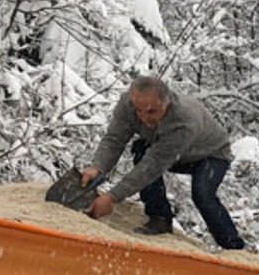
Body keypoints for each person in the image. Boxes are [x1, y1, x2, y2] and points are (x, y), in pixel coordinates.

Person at [83, 75, 245, 249]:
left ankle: (233, 247)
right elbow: (115, 139)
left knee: (202, 194)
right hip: (174, 151)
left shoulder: (183, 120)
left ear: (166, 103)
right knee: (140, 148)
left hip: (212, 154)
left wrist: (113, 197)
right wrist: (97, 167)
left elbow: (152, 166)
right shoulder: (128, 104)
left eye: (152, 111)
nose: (144, 117)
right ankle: (160, 219)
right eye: (139, 111)